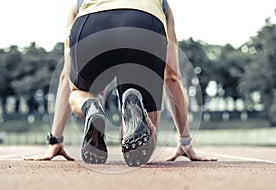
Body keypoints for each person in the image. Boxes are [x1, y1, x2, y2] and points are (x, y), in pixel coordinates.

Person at [24, 0, 217, 165]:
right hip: (144, 24)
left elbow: (66, 76)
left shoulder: (79, 3)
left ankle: (90, 105)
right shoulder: (162, 3)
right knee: (141, 148)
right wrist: (185, 140)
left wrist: (55, 140)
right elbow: (172, 76)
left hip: (91, 23)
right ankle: (134, 104)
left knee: (78, 93)